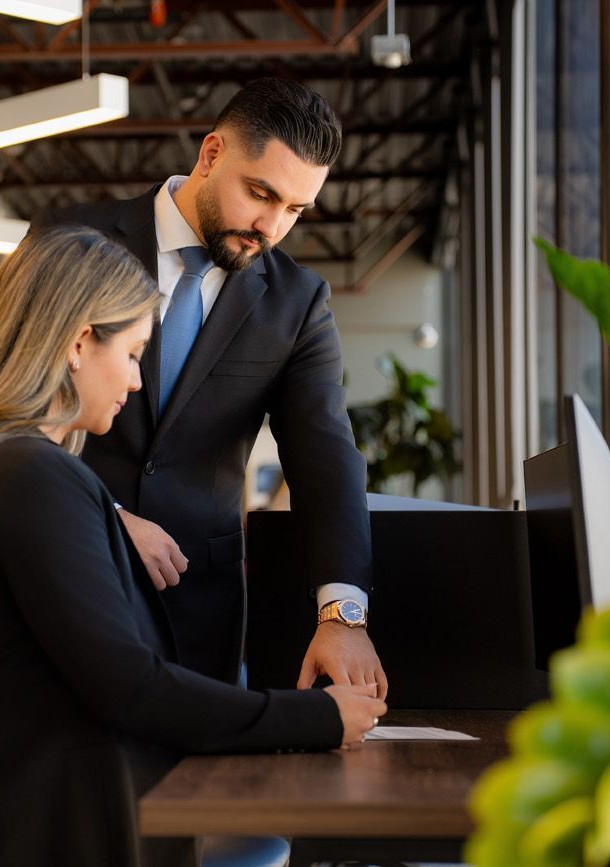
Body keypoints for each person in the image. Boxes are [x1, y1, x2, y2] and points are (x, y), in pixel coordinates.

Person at [0, 226, 387, 867]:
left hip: (5, 810)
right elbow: (131, 689)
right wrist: (319, 719)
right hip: (28, 831)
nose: (137, 382)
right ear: (80, 342)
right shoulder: (28, 476)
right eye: (135, 354)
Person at [41, 78, 387, 693]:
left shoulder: (297, 303)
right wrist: (105, 514)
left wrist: (343, 615)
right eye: (261, 193)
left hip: (197, 609)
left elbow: (325, 457)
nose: (271, 226)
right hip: (62, 571)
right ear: (210, 155)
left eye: (295, 210)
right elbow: (10, 405)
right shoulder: (73, 240)